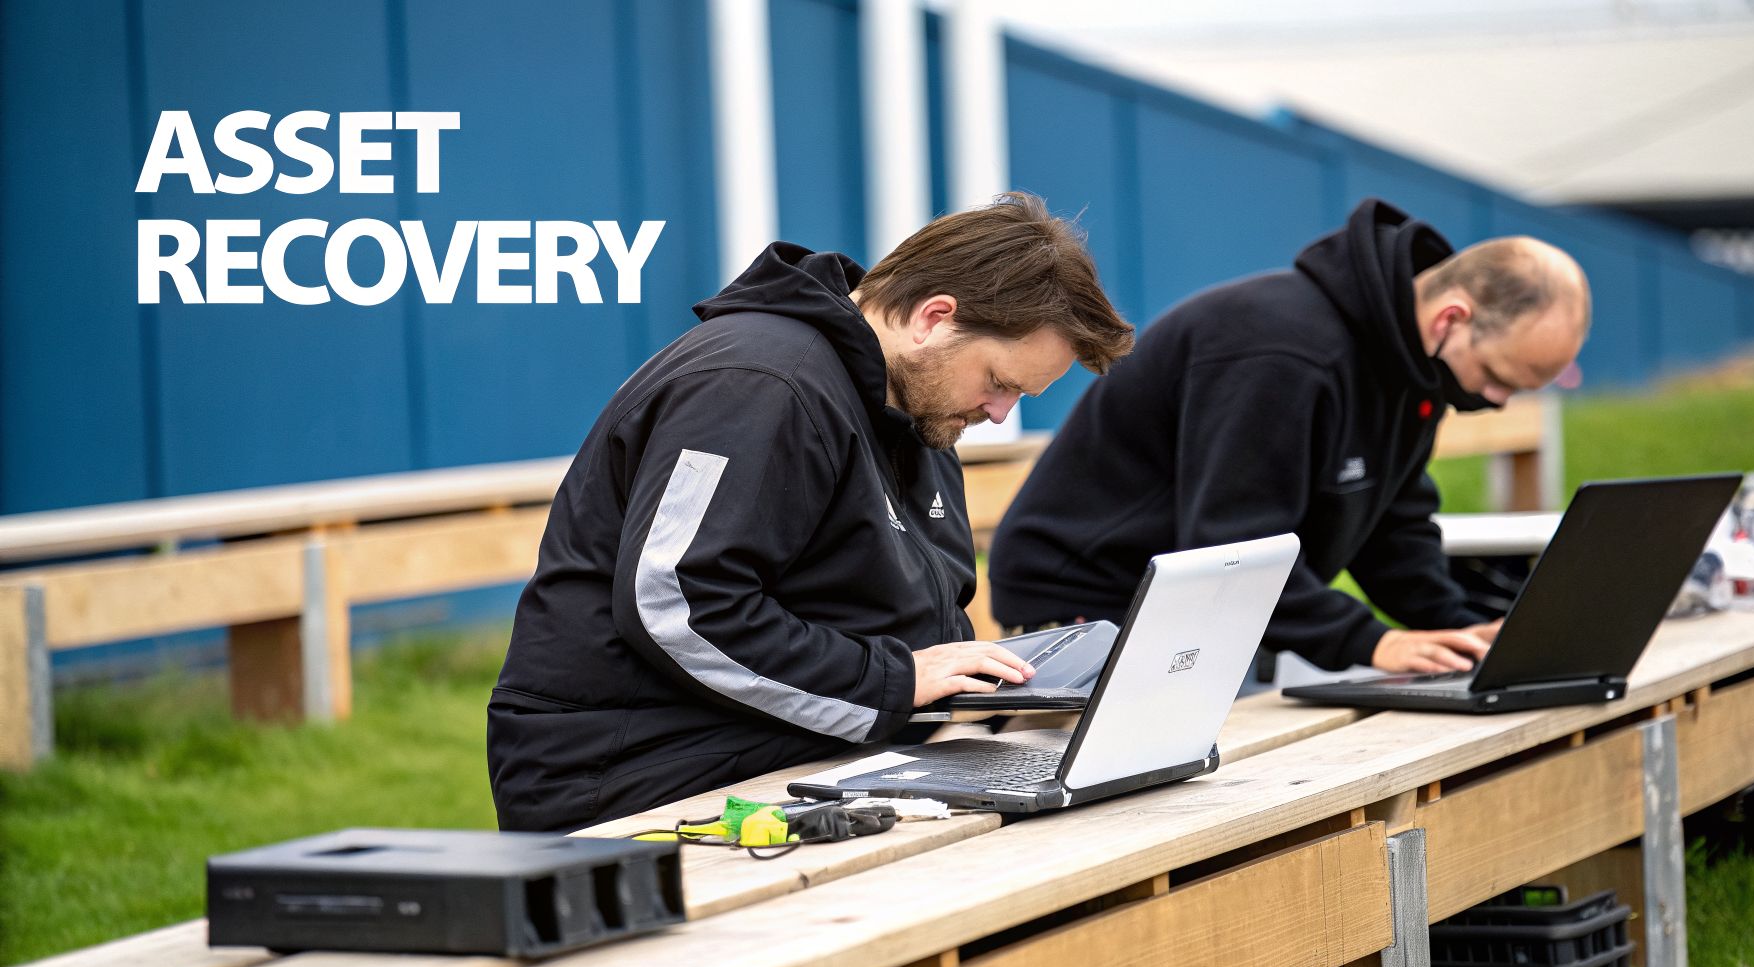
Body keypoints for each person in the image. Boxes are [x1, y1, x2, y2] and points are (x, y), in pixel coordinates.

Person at [488, 193, 1134, 831]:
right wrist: (891, 680)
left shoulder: (916, 411)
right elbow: (677, 606)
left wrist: (988, 686)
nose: (999, 412)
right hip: (642, 768)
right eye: (1000, 381)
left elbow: (897, 623)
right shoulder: (756, 384)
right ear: (933, 318)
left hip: (790, 746)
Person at [989, 199, 1589, 677]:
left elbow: (1392, 524)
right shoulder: (1281, 353)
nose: (1496, 400)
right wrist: (1370, 642)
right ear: (1451, 318)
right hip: (1090, 612)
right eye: (1496, 377)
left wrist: (1458, 632)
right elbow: (1232, 547)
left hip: (1204, 609)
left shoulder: (1410, 365)